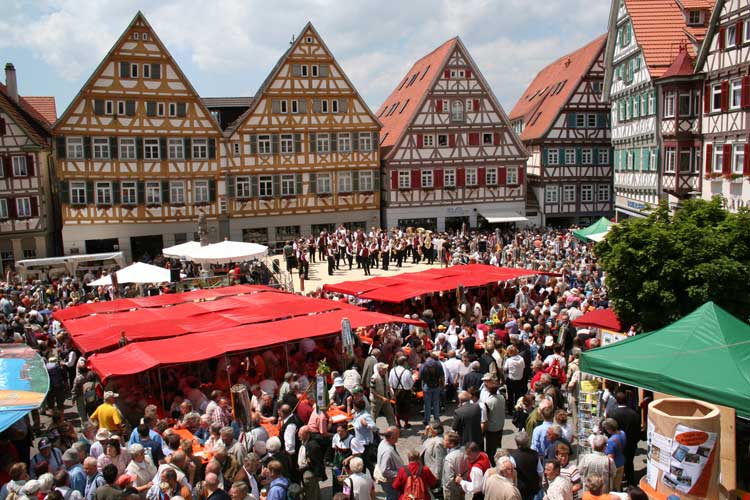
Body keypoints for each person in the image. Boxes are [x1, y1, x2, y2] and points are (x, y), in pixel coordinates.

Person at [606, 392, 640, 487]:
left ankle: (618, 483)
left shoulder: (612, 413)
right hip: (630, 444)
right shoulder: (634, 414)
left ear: (616, 401)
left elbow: (608, 429)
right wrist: (634, 442)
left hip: (617, 444)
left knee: (617, 465)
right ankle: (631, 482)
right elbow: (638, 431)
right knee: (629, 462)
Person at [510, 432, 541, 500]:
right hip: (533, 486)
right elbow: (540, 472)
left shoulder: (513, 456)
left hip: (520, 487)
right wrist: (540, 483)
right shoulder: (535, 454)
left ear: (516, 443)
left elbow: (511, 473)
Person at [481, 377, 505, 464]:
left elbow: (486, 415)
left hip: (491, 428)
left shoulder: (488, 401)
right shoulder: (502, 397)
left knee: (490, 448)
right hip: (500, 425)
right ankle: (500, 459)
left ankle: (492, 462)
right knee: (498, 444)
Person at [376, 427, 404, 500]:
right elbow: (385, 471)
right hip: (390, 482)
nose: (398, 439)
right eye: (397, 436)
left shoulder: (383, 442)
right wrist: (400, 474)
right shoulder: (387, 452)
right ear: (392, 437)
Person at [297, 426, 324, 500]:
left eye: (301, 434)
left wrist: (317, 475)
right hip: (304, 471)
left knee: (311, 495)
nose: (298, 436)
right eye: (299, 433)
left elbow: (318, 462)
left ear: (307, 434)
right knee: (315, 493)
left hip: (310, 473)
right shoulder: (303, 442)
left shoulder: (313, 446)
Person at [419, 423, 445, 495]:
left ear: (436, 431)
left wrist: (437, 476)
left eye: (430, 428)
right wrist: (426, 432)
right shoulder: (431, 437)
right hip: (427, 470)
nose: (428, 429)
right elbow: (422, 444)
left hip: (433, 473)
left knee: (434, 494)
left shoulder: (439, 442)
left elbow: (440, 461)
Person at [419, 352, 444, 426]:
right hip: (436, 385)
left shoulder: (423, 365)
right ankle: (436, 419)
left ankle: (427, 420)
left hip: (427, 386)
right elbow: (442, 375)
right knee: (436, 402)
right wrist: (442, 384)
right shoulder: (438, 364)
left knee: (427, 403)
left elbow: (420, 377)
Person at [388, 357, 414, 429]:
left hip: (396, 391)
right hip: (405, 392)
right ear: (404, 363)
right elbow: (411, 384)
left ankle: (398, 424)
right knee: (406, 408)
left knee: (397, 408)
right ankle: (406, 424)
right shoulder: (407, 372)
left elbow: (390, 382)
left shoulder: (392, 370)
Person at [441, 431, 467, 500]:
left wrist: (448, 489)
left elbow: (449, 480)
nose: (443, 441)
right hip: (462, 486)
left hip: (451, 492)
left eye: (445, 440)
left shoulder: (449, 458)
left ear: (451, 443)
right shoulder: (464, 450)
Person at [601, 419, 626, 492]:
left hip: (615, 466)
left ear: (608, 429)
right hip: (621, 462)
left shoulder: (611, 441)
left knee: (613, 487)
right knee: (618, 484)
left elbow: (610, 459)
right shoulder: (622, 433)